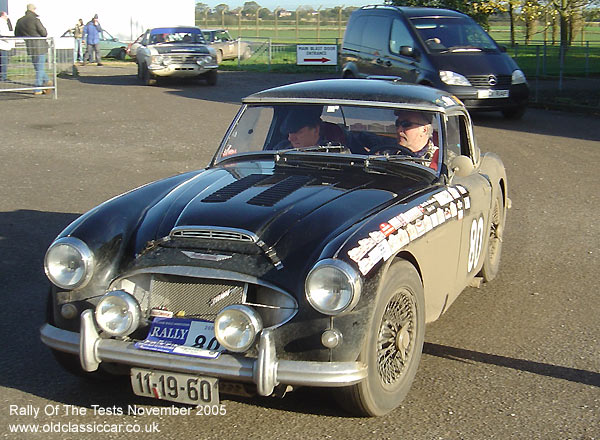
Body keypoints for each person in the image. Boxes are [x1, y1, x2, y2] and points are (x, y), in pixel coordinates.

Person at [14, 4, 51, 95]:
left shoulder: (20, 21)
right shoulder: (35, 20)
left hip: (30, 46)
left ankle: (47, 81)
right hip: (40, 46)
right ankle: (37, 88)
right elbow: (44, 32)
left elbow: (17, 34)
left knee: (37, 67)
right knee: (40, 68)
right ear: (34, 10)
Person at [0, 11, 15, 81]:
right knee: (4, 62)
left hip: (3, 45)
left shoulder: (3, 23)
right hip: (3, 45)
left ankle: (3, 76)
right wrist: (11, 36)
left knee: (3, 61)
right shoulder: (2, 23)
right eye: (6, 15)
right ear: (2, 15)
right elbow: (3, 33)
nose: (7, 17)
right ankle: (3, 77)